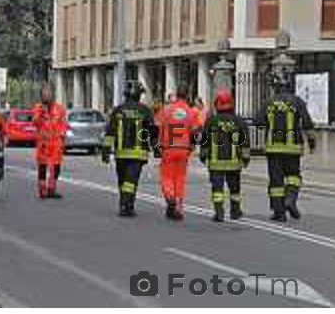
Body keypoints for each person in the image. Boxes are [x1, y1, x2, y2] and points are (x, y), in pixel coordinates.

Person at [254, 72, 316, 221]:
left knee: (276, 181)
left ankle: (279, 213)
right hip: (293, 148)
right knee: (294, 176)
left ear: (274, 87)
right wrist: (312, 144)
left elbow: (258, 122)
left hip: (273, 149)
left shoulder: (268, 102)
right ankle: (291, 200)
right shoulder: (298, 101)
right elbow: (308, 125)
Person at [102, 81, 157, 217]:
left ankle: (126, 204)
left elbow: (110, 132)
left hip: (121, 154)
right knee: (131, 182)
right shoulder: (145, 111)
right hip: (138, 154)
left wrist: (106, 151)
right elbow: (152, 133)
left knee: (123, 181)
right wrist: (156, 148)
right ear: (138, 94)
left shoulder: (118, 110)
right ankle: (126, 206)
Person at [200, 89, 250, 222]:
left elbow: (204, 140)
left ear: (217, 104)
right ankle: (235, 211)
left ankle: (219, 212)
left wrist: (203, 155)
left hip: (216, 163)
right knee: (234, 188)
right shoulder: (239, 121)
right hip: (234, 164)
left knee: (217, 188)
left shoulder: (211, 121)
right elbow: (244, 142)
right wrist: (245, 158)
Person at [156, 85, 203, 220]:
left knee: (167, 176)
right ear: (188, 95)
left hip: (168, 148)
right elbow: (196, 131)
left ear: (176, 94)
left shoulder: (166, 110)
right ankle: (178, 207)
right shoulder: (191, 112)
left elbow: (157, 127)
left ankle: (170, 197)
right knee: (180, 178)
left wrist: (157, 145)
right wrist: (193, 145)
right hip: (184, 149)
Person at [32, 83, 68, 199]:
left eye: (49, 93)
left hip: (56, 143)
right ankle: (42, 190)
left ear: (53, 94)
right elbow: (35, 123)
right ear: (41, 95)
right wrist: (42, 112)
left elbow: (63, 124)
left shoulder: (59, 108)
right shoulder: (38, 108)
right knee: (42, 167)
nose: (47, 96)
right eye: (44, 94)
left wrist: (63, 136)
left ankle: (51, 189)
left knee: (56, 168)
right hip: (43, 143)